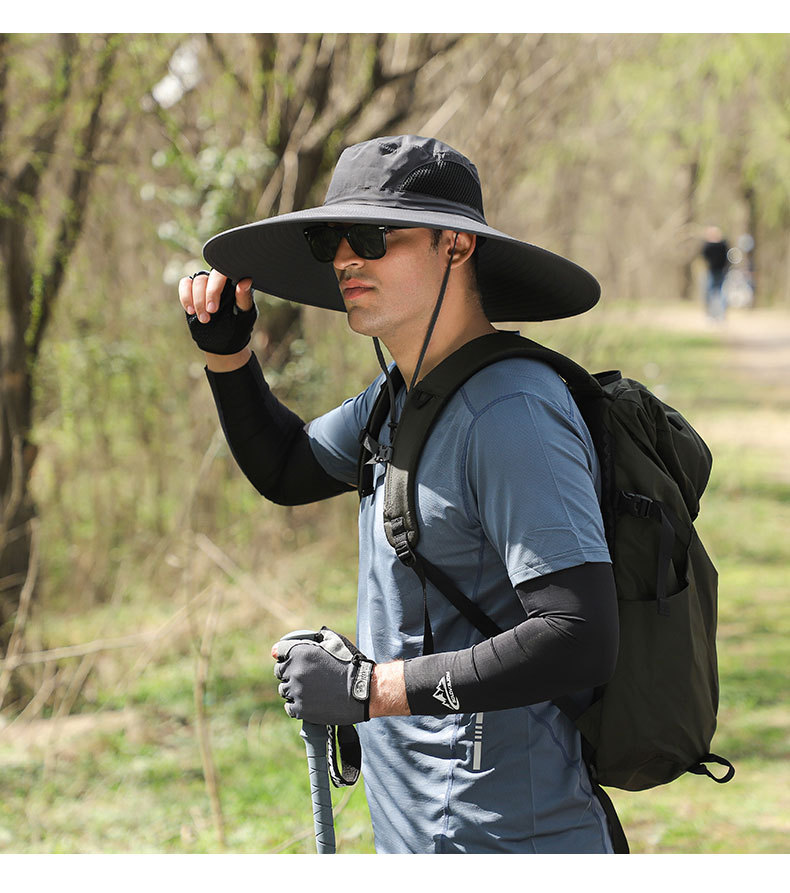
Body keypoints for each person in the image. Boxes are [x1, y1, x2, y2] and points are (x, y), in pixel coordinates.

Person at [178, 135, 620, 854]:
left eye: (373, 235)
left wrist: (369, 689)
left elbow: (579, 637)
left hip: (507, 839)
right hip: (419, 835)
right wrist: (227, 356)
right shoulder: (399, 397)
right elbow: (286, 468)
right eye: (329, 240)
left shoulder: (510, 411)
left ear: (455, 245)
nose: (345, 258)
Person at [701, 225, 730, 321]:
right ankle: (713, 314)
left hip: (720, 272)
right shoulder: (721, 245)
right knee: (711, 293)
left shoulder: (721, 245)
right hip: (713, 271)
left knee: (719, 293)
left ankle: (719, 314)